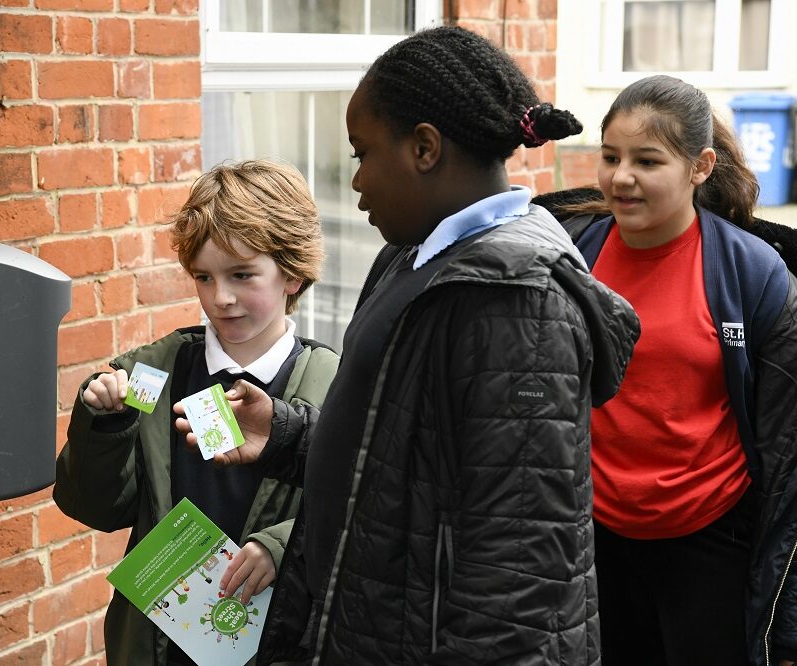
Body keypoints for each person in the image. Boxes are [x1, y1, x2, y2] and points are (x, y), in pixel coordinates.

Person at [176, 26, 640, 664]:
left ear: (424, 148)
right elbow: (405, 448)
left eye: (363, 153)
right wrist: (285, 435)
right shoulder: (414, 257)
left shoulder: (517, 305)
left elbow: (522, 570)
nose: (355, 179)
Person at [543, 75, 797, 666]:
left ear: (700, 166)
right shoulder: (572, 257)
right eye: (611, 157)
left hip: (709, 545)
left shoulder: (753, 276)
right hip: (591, 540)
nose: (621, 177)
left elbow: (787, 450)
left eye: (647, 160)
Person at [52, 160, 340, 665]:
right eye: (203, 277)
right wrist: (106, 427)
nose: (220, 298)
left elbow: (369, 514)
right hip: (157, 647)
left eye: (242, 274)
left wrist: (281, 545)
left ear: (292, 273)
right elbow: (95, 507)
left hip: (278, 640)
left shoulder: (336, 384)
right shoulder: (151, 376)